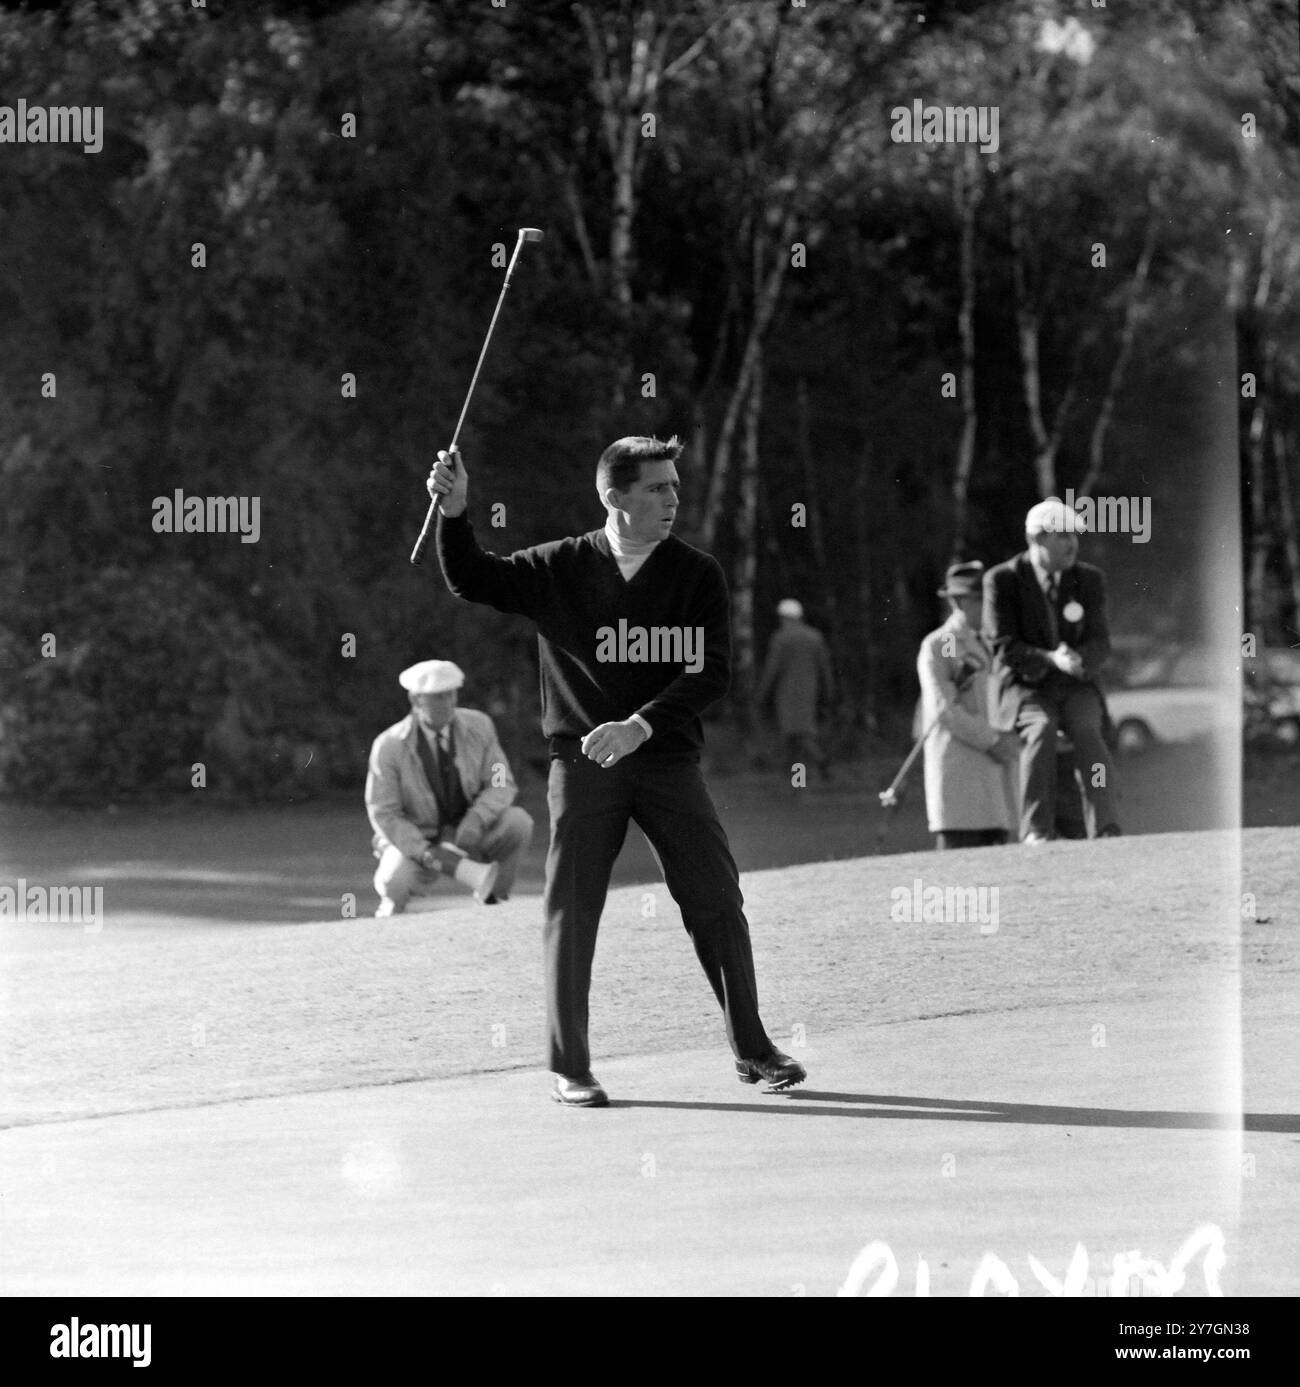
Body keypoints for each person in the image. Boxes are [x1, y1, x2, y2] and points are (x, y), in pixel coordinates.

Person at [427, 435, 805, 1107]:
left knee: (717, 899)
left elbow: (711, 670)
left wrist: (640, 724)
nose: (674, 498)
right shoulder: (560, 565)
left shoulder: (697, 573)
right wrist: (455, 513)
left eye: (675, 486)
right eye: (658, 488)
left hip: (665, 760)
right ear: (615, 497)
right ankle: (571, 1067)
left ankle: (753, 1049)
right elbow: (471, 578)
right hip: (583, 766)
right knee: (571, 911)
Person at [983, 499, 1122, 843]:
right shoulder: (1002, 580)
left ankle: (1105, 827)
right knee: (1041, 731)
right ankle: (1036, 831)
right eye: (1062, 535)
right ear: (1037, 540)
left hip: (1076, 684)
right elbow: (1002, 645)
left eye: (1074, 535)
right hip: (1027, 686)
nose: (1072, 543)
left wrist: (1077, 660)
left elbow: (1100, 642)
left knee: (1090, 734)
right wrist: (1049, 658)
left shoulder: (1089, 579)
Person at [365, 660, 534, 916]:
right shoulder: (388, 745)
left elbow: (501, 782)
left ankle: (494, 901)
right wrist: (424, 852)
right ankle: (390, 915)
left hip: (471, 833)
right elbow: (384, 812)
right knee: (394, 882)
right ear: (416, 700)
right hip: (417, 839)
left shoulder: (480, 725)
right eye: (437, 697)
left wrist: (477, 817)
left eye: (451, 694)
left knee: (518, 822)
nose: (447, 703)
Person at [917, 562, 1019, 848]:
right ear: (958, 602)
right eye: (980, 599)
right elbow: (945, 710)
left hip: (998, 775)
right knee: (960, 867)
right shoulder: (944, 643)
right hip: (961, 773)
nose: (989, 606)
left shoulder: (996, 641)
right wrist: (993, 741)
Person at [756, 598, 836, 783]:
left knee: (796, 733)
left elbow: (772, 668)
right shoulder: (814, 636)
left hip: (787, 693)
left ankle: (820, 762)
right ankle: (795, 778)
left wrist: (762, 692)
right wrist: (829, 690)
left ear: (786, 617)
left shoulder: (781, 638)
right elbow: (825, 667)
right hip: (810, 691)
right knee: (796, 734)